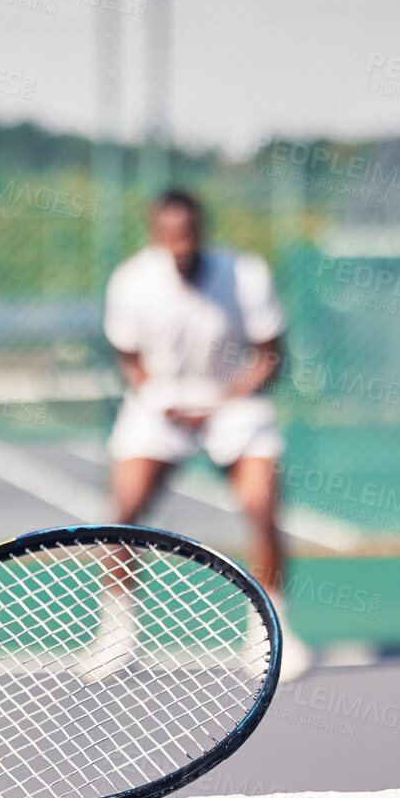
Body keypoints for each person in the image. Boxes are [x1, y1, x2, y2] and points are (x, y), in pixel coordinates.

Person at [102, 188, 310, 681]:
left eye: (188, 234)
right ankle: (117, 634)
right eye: (169, 236)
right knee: (123, 513)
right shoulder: (130, 281)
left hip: (231, 405)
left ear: (202, 232)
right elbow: (129, 358)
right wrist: (158, 397)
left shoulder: (248, 274)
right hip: (160, 406)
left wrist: (225, 400)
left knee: (262, 507)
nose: (180, 245)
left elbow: (270, 355)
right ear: (156, 235)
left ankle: (271, 631)